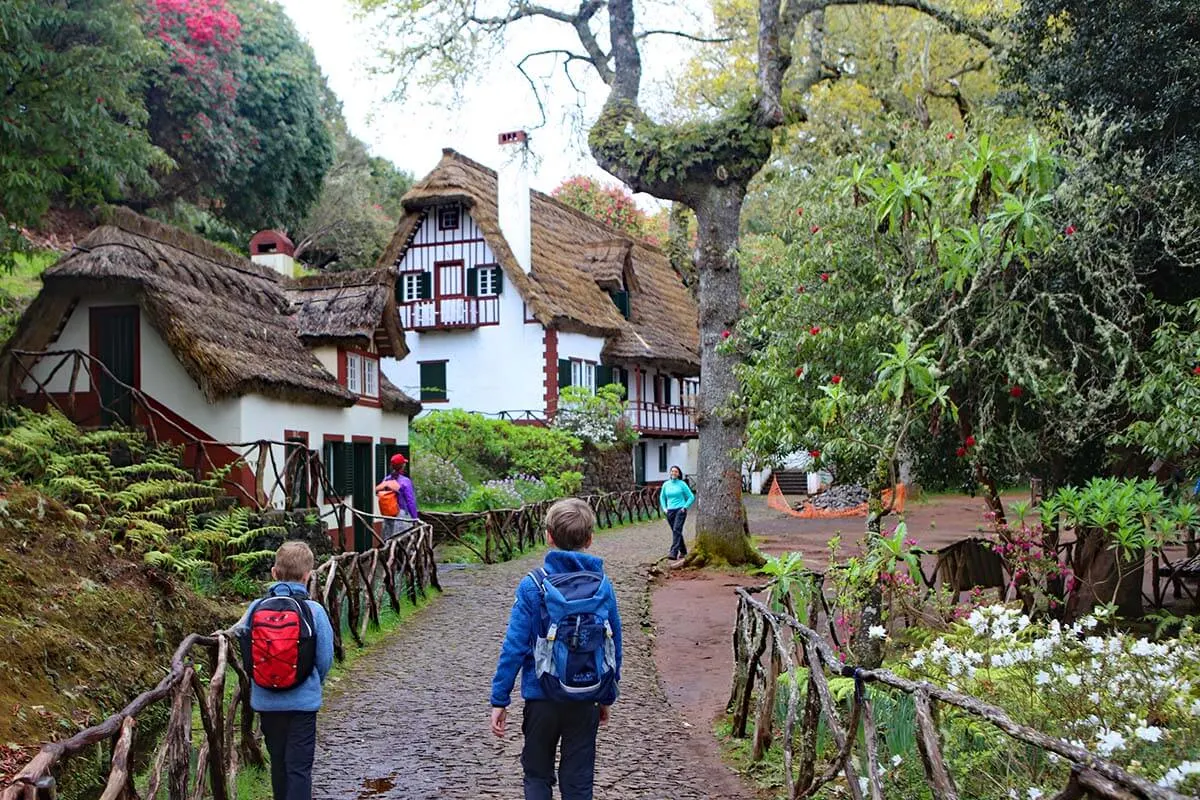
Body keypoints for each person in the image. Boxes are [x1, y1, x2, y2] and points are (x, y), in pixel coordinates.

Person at [489, 498, 623, 800]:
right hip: (585, 696)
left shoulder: (533, 585)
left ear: (548, 536)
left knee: (537, 775)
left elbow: (514, 646)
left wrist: (500, 699)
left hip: (541, 698)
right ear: (589, 539)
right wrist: (606, 694)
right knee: (578, 782)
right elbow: (614, 643)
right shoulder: (603, 586)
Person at [236, 542, 334, 800]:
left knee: (278, 764)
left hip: (267, 701)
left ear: (273, 573)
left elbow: (244, 645)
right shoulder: (314, 611)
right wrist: (313, 683)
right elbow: (325, 658)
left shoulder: (255, 607)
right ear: (308, 575)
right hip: (303, 704)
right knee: (299, 768)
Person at [375, 452, 418, 538]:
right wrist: (415, 518)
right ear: (402, 466)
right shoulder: (405, 481)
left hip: (388, 516)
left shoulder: (386, 480)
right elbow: (410, 502)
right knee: (403, 542)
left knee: (389, 541)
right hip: (402, 516)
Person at [659, 465, 695, 560]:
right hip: (670, 511)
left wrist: (685, 507)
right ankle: (683, 551)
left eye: (676, 471)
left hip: (680, 510)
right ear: (670, 473)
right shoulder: (666, 484)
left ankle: (673, 552)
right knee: (676, 531)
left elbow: (691, 497)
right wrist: (664, 508)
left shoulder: (682, 484)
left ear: (679, 474)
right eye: (672, 471)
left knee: (676, 530)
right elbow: (662, 497)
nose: (674, 473)